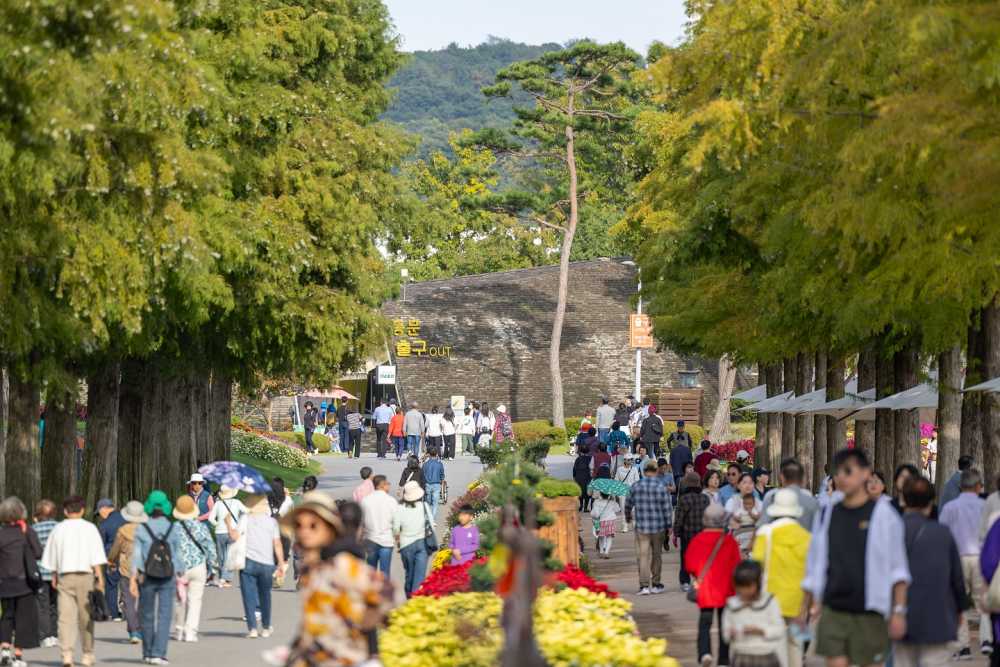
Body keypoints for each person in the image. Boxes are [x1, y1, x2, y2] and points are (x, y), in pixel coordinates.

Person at [800, 448, 910, 667]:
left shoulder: (883, 515)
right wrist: (806, 607)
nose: (842, 477)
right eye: (837, 472)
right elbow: (814, 564)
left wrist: (899, 611)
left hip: (870, 610)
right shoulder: (827, 514)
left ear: (866, 473)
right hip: (834, 607)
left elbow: (898, 569)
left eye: (848, 471)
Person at [281, 497, 393, 667]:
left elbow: (383, 606)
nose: (303, 533)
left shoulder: (340, 566)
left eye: (313, 526)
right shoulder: (314, 569)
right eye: (298, 526)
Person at [896, 475, 967, 667]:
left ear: (904, 498)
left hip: (899, 615)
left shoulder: (892, 530)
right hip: (937, 615)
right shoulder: (943, 533)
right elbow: (956, 578)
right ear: (931, 501)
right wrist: (960, 608)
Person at [40, 495, 106, 667]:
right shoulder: (90, 528)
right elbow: (97, 556)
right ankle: (87, 654)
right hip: (86, 576)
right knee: (86, 617)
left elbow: (52, 556)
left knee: (65, 618)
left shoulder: (58, 529)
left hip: (65, 577)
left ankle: (67, 655)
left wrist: (54, 575)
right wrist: (100, 578)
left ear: (65, 511)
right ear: (83, 510)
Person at [751, 489, 811, 667]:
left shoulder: (765, 534)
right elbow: (811, 572)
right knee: (795, 646)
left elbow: (756, 565)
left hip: (771, 598)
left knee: (773, 646)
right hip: (798, 600)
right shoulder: (806, 537)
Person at [939, 468, 989, 658]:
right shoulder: (984, 506)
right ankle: (986, 640)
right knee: (983, 602)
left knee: (957, 603)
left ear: (960, 486)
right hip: (981, 557)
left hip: (957, 558)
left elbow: (942, 534)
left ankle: (963, 646)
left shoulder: (950, 508)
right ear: (978, 486)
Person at [685, 504, 741, 667]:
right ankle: (723, 658)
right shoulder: (729, 541)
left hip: (706, 589)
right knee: (725, 624)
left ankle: (705, 653)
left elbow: (689, 564)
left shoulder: (698, 539)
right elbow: (737, 565)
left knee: (704, 623)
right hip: (726, 589)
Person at [130, 490, 181, 664]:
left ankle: (148, 652)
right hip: (168, 575)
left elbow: (136, 556)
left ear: (149, 507)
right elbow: (176, 555)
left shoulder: (141, 529)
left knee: (147, 614)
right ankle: (159, 653)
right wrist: (180, 575)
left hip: (147, 575)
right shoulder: (173, 528)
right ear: (166, 507)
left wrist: (132, 578)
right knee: (165, 614)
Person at [234, 494, 286, 638]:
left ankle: (252, 628)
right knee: (265, 596)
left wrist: (228, 524)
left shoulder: (244, 519)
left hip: (248, 562)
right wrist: (281, 563)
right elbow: (277, 543)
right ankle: (266, 626)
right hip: (266, 563)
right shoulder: (272, 522)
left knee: (248, 596)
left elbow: (235, 537)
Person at [0, 496, 42, 667]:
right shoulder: (27, 531)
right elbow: (38, 553)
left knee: (7, 616)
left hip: (3, 583)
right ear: (21, 513)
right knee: (24, 618)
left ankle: (3, 651)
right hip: (24, 582)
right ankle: (17, 656)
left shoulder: (1, 533)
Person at [170, 495, 217, 643]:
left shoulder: (173, 528)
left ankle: (178, 629)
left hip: (179, 568)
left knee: (179, 599)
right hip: (198, 566)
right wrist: (213, 567)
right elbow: (210, 548)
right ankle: (191, 632)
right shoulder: (201, 527)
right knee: (195, 600)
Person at [724, 560, 788, 667]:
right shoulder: (732, 604)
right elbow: (726, 631)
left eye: (748, 586)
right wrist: (731, 633)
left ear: (758, 583)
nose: (744, 591)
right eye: (740, 586)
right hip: (741, 655)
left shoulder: (770, 601)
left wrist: (761, 631)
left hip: (766, 655)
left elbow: (779, 629)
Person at [624, 460, 672, 595]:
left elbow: (628, 504)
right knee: (657, 555)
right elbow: (667, 508)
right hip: (658, 526)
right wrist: (669, 525)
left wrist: (628, 517)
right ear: (656, 471)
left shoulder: (636, 486)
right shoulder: (661, 487)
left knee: (642, 556)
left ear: (644, 471)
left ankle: (644, 585)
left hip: (641, 527)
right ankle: (656, 584)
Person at [108, 501, 147, 645]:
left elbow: (115, 549)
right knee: (143, 600)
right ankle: (142, 629)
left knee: (128, 602)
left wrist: (111, 561)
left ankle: (134, 631)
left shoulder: (122, 530)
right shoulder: (146, 530)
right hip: (144, 569)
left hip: (126, 569)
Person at [393, 481, 433, 598]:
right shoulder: (424, 506)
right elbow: (431, 524)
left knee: (409, 573)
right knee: (419, 575)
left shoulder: (400, 508)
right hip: (421, 544)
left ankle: (409, 594)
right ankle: (415, 598)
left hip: (406, 544)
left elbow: (396, 528)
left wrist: (398, 540)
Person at [758, 458, 819, 531]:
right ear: (803, 478)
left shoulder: (771, 496)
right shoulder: (810, 499)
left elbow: (762, 527)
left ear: (781, 476)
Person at [674, 472, 711, 592]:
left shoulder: (684, 499)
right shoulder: (705, 498)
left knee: (685, 558)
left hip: (687, 535)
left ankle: (685, 582)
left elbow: (679, 518)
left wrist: (676, 533)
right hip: (702, 534)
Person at [32, 500, 59, 649]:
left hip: (40, 571)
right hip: (57, 571)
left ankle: (45, 635)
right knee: (55, 604)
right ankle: (54, 634)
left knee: (42, 605)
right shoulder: (59, 527)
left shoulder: (34, 529)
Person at [208, 486, 245, 589]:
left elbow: (211, 518)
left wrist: (218, 524)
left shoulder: (218, 504)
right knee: (230, 556)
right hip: (232, 531)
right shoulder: (237, 502)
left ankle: (221, 577)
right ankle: (227, 579)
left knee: (221, 556)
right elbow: (246, 512)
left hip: (219, 533)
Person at [95, 498, 126, 622]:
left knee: (111, 585)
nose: (100, 516)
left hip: (111, 558)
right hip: (128, 556)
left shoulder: (104, 524)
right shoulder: (126, 519)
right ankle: (129, 611)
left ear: (104, 509)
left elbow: (100, 544)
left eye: (99, 512)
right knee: (127, 583)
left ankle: (114, 614)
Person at [360, 476, 397, 576]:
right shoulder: (391, 501)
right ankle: (383, 591)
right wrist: (397, 536)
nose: (389, 485)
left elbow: (361, 521)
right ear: (382, 485)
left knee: (370, 572)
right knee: (384, 572)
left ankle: (371, 590)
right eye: (387, 483)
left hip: (370, 539)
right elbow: (396, 521)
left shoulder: (366, 500)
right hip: (386, 540)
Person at [590, 490, 618, 559]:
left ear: (600, 494)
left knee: (601, 537)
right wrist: (613, 500)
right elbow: (617, 509)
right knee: (609, 537)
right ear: (608, 495)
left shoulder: (596, 502)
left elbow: (594, 514)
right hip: (610, 521)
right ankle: (607, 552)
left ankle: (601, 551)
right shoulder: (612, 502)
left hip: (600, 521)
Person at [422, 447, 446, 517]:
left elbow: (422, 474)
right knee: (435, 503)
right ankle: (432, 518)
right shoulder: (440, 464)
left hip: (427, 484)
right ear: (437, 454)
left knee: (428, 501)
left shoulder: (425, 464)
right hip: (436, 484)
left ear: (429, 454)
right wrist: (442, 480)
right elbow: (442, 474)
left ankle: (427, 516)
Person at [573, 448, 594, 512]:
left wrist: (574, 477)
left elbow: (574, 469)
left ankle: (581, 505)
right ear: (588, 452)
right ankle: (585, 507)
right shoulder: (590, 458)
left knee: (580, 492)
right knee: (587, 492)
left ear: (581, 452)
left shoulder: (578, 459)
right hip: (588, 477)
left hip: (579, 477)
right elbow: (592, 468)